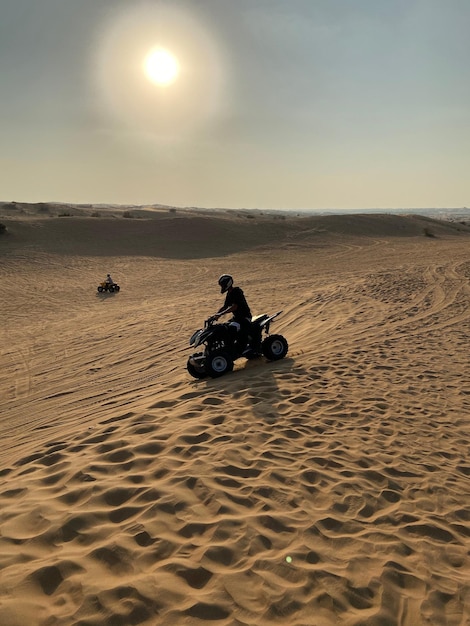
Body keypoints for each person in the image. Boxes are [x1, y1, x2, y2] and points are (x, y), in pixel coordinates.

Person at [212, 274, 259, 355]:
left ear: (228, 283)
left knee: (235, 330)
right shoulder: (229, 294)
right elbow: (225, 307)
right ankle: (227, 347)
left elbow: (234, 307)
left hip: (245, 317)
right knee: (225, 328)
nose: (222, 286)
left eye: (223, 284)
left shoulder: (237, 291)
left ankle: (242, 349)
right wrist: (216, 315)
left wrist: (221, 313)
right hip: (237, 318)